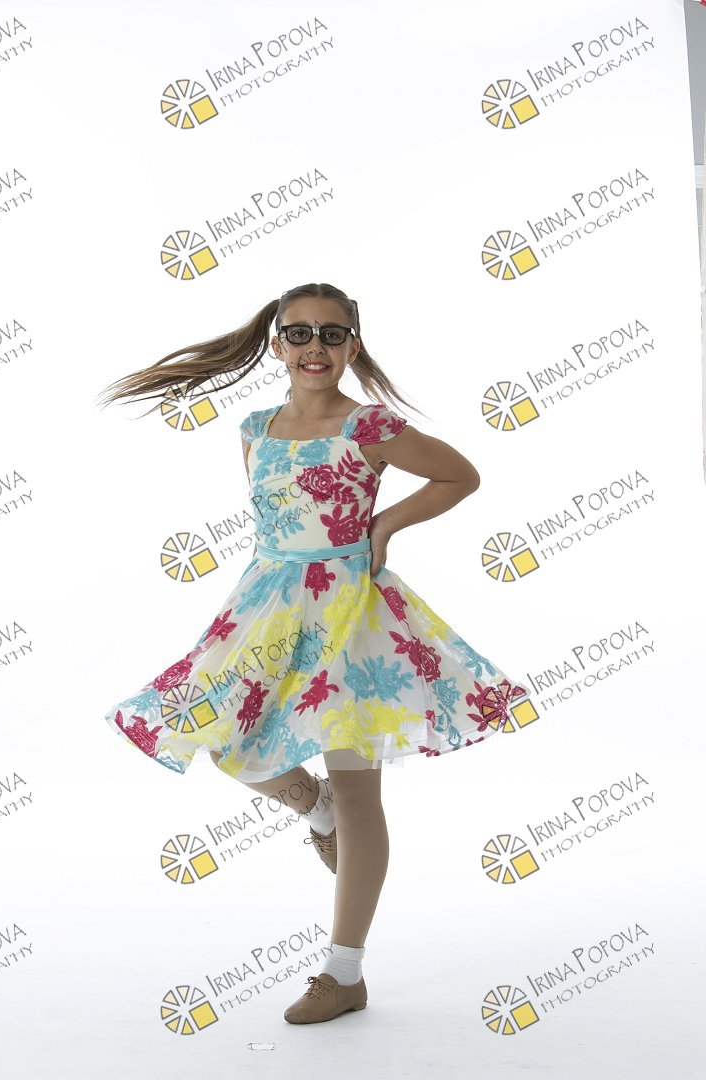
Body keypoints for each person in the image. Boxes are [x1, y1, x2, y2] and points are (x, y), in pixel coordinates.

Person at [99, 282, 531, 1025]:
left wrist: (385, 525)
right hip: (267, 610)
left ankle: (344, 971)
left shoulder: (370, 426)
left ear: (352, 346)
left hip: (350, 614)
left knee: (362, 791)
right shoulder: (255, 429)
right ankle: (315, 807)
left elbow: (460, 475)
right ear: (277, 345)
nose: (315, 347)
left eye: (332, 334)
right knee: (223, 739)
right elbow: (276, 526)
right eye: (299, 333)